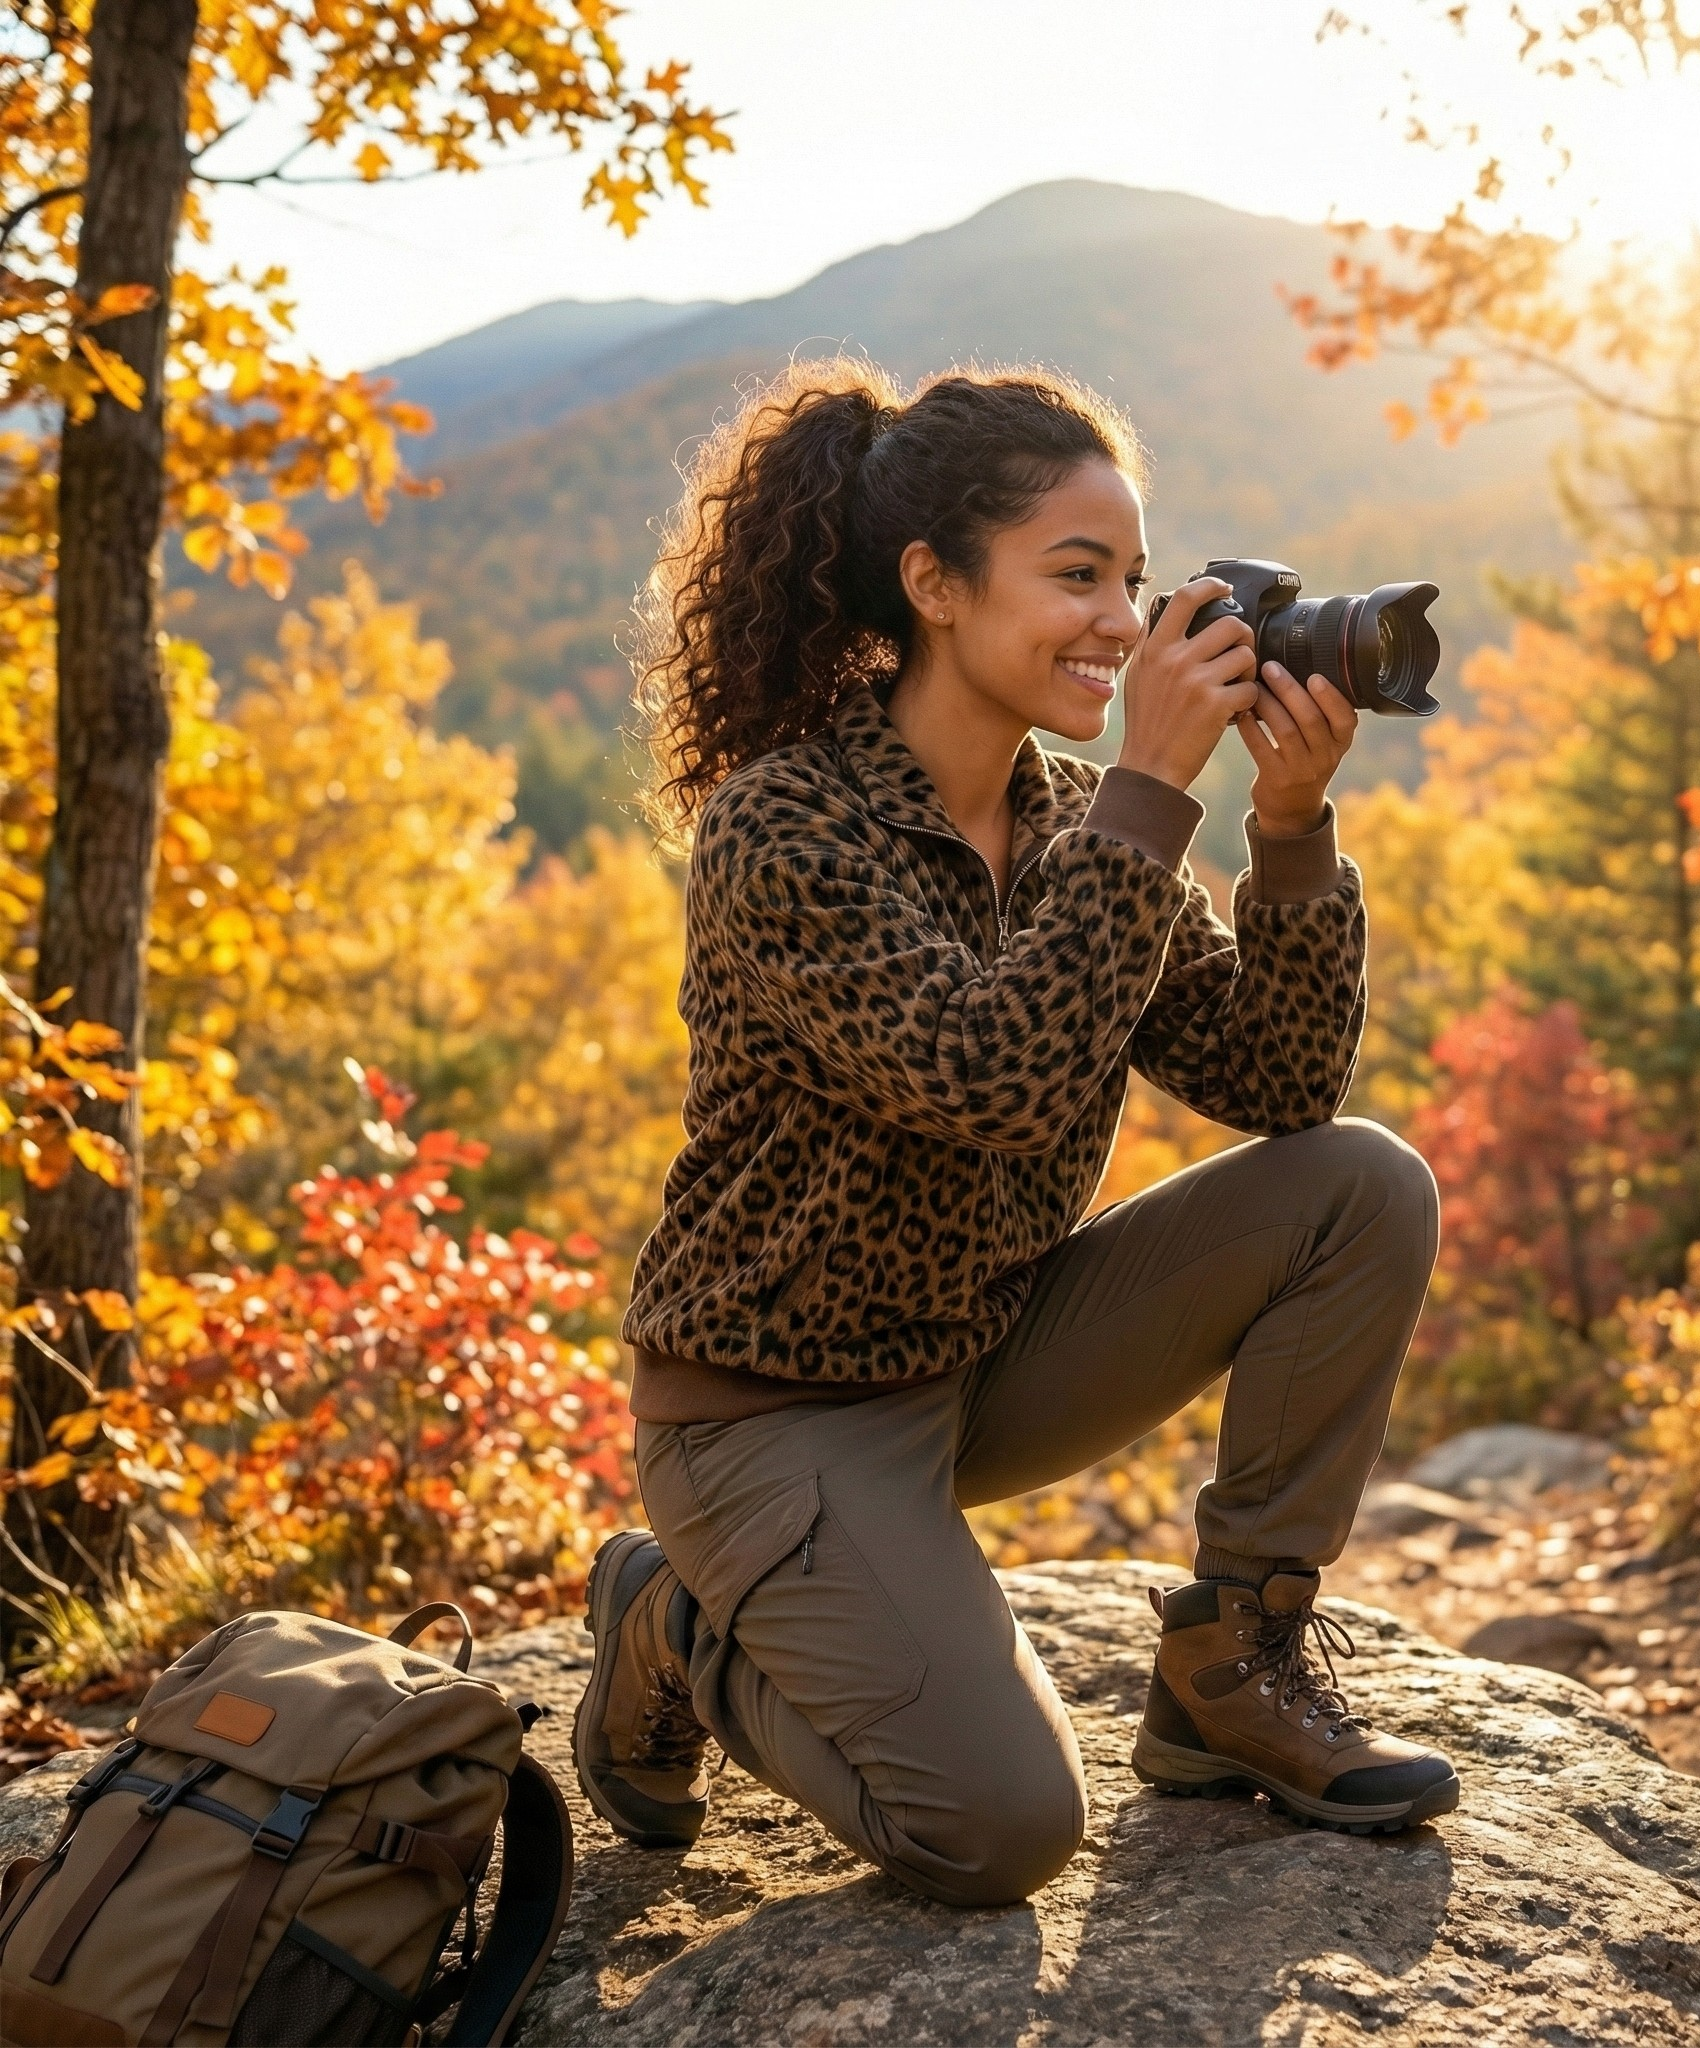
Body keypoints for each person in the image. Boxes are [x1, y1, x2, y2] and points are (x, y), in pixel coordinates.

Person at [571, 358, 1456, 1909]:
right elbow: (992, 1080)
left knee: (1360, 1184)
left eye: (1134, 574)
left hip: (982, 1355)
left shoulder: (1068, 819)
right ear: (933, 586)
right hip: (772, 1418)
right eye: (1075, 575)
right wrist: (1158, 789)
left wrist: (1292, 826)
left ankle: (1232, 1667)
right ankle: (680, 1619)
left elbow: (1280, 1083)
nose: (1126, 620)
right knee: (997, 1832)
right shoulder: (786, 824)